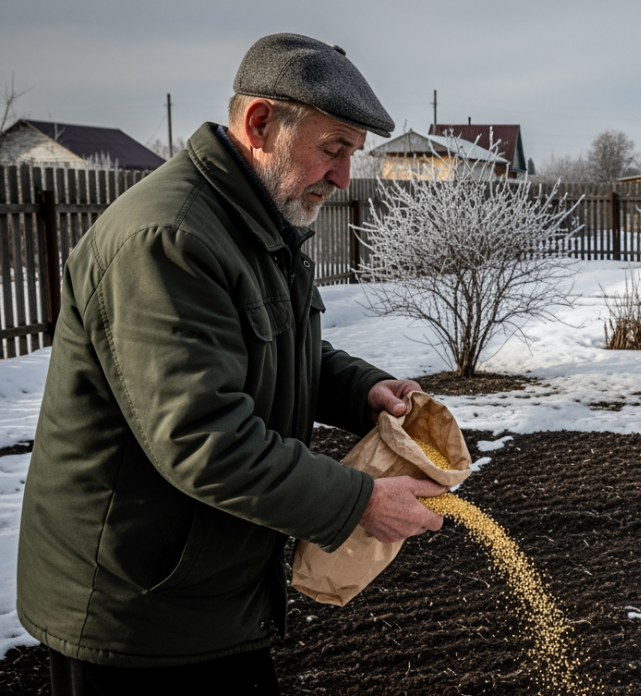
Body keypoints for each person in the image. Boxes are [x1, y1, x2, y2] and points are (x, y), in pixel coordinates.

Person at [15, 33, 445, 695]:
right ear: (260, 123)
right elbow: (204, 438)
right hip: (136, 612)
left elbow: (279, 347)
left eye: (351, 156)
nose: (342, 178)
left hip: (197, 591)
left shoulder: (257, 223)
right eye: (333, 149)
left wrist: (363, 393)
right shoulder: (169, 239)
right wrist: (359, 502)